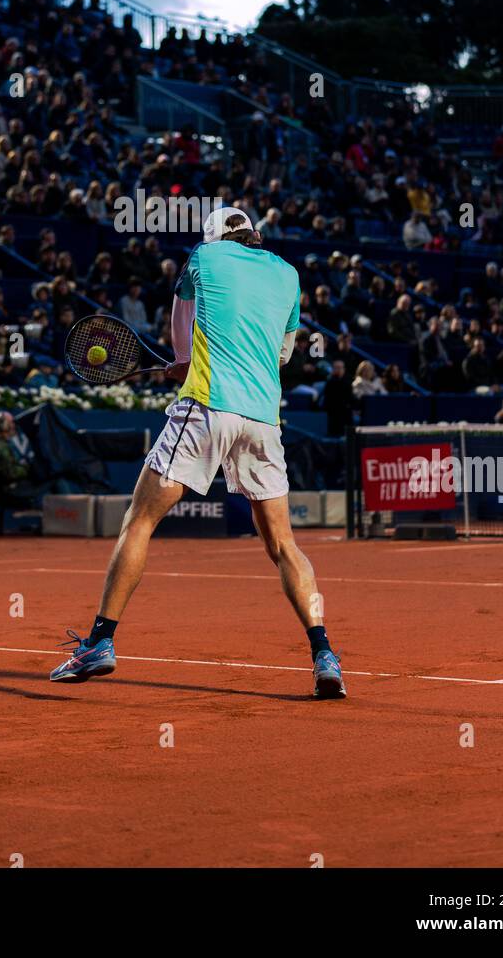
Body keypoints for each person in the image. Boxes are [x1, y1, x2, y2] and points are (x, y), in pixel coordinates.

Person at [49, 207, 346, 700]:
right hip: (263, 421)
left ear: (212, 237)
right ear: (255, 234)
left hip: (207, 407)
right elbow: (281, 356)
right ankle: (324, 655)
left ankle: (101, 641)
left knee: (139, 521)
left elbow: (182, 332)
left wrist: (183, 364)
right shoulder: (289, 275)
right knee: (283, 546)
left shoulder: (203, 257)